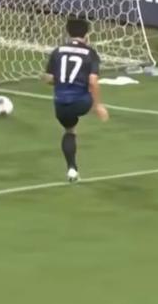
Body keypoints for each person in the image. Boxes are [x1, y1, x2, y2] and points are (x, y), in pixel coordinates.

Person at [44, 18, 110, 182]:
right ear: (86, 34)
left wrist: (60, 81)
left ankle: (72, 169)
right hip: (81, 102)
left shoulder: (57, 51)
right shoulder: (90, 53)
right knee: (87, 90)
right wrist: (98, 106)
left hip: (60, 103)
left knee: (69, 130)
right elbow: (93, 81)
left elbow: (49, 78)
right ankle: (73, 170)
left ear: (67, 32)